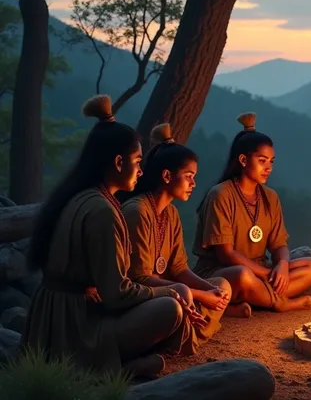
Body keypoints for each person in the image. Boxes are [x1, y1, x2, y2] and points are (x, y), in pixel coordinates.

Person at [22, 95, 198, 378]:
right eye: (138, 161)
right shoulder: (102, 210)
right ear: (119, 162)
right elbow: (117, 295)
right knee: (169, 308)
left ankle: (125, 364)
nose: (141, 170)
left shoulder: (81, 197)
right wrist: (168, 290)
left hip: (61, 315)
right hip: (78, 328)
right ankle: (104, 367)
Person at [192, 112, 311, 315]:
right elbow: (226, 254)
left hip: (263, 271)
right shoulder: (221, 194)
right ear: (243, 160)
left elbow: (279, 244)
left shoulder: (270, 197)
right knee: (243, 276)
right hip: (222, 272)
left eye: (271, 161)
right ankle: (281, 303)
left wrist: (282, 264)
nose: (268, 167)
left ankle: (253, 298)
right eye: (262, 161)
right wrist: (267, 273)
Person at [121, 123, 232, 352]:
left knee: (222, 285)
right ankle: (186, 335)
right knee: (174, 305)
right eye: (188, 176)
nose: (193, 184)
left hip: (174, 291)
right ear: (167, 176)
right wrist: (200, 294)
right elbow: (140, 278)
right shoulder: (137, 212)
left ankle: (184, 334)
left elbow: (179, 267)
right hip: (143, 297)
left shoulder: (170, 213)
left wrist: (209, 291)